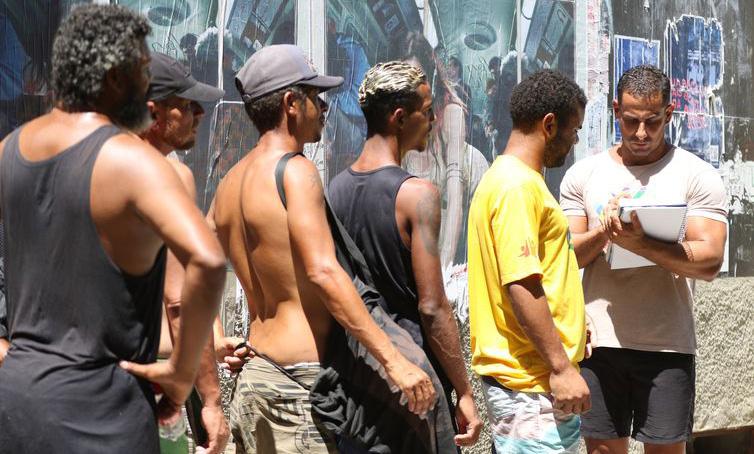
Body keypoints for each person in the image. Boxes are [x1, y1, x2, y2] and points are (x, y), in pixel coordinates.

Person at [0, 5, 226, 453]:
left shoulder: (9, 149)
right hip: (102, 412)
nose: (146, 88)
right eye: (142, 70)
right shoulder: (131, 160)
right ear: (115, 78)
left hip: (16, 407)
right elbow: (208, 260)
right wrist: (181, 375)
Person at [209, 44, 435, 453]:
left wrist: (216, 337)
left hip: (255, 378)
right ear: (291, 104)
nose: (325, 107)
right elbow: (324, 272)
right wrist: (394, 360)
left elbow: (193, 267)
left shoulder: (229, 184)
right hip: (296, 388)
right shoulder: (296, 172)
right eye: (316, 96)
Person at [559, 64, 728, 454]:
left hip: (667, 345)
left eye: (652, 122)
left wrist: (641, 242)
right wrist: (605, 232)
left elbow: (710, 260)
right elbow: (565, 258)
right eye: (631, 120)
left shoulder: (696, 175)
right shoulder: (583, 175)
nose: (640, 133)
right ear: (616, 111)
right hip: (598, 343)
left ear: (669, 114)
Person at [328, 61, 482, 450]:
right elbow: (432, 307)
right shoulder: (417, 195)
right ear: (399, 117)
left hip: (359, 378)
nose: (433, 120)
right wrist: (464, 391)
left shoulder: (334, 190)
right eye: (426, 111)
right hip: (414, 383)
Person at [467, 69, 589, 454]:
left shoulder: (510, 180)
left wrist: (571, 332)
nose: (575, 141)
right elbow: (521, 284)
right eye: (574, 130)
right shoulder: (517, 187)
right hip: (531, 390)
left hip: (534, 388)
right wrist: (561, 366)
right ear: (549, 125)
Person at [141, 52, 229, 453]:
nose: (199, 113)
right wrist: (210, 400)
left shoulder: (81, 168)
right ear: (154, 113)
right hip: (153, 381)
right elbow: (180, 302)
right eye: (187, 104)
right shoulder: (170, 176)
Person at [396, 32, 489, 268]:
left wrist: (445, 266)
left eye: (417, 78)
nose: (411, 89)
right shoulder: (399, 119)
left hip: (456, 221)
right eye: (404, 79)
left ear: (430, 77)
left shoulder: (451, 112)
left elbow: (455, 192)